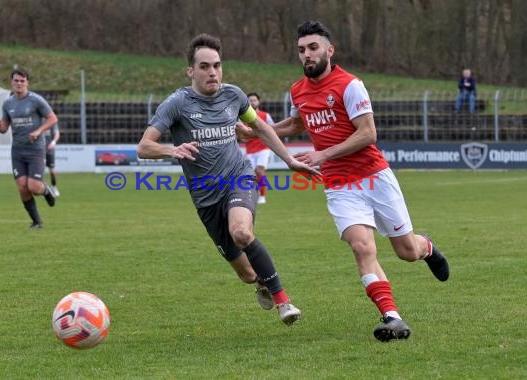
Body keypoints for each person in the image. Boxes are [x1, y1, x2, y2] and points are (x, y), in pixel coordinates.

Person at [265, 20, 450, 340]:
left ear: (329, 50)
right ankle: (392, 317)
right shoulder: (297, 90)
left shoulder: (350, 85)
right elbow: (297, 124)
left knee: (406, 251)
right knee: (362, 247)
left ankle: (427, 247)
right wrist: (257, 128)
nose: (306, 55)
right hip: (339, 185)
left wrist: (323, 154)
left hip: (374, 177)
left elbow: (368, 133)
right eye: (301, 50)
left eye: (312, 48)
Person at [137, 33, 319, 325]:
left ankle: (283, 302)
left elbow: (259, 127)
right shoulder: (176, 104)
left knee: (242, 233)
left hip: (238, 176)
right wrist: (173, 148)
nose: (213, 72)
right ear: (190, 71)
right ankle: (261, 281)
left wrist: (289, 160)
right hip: (206, 199)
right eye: (205, 66)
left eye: (217, 66)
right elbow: (144, 147)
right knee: (247, 274)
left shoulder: (233, 95)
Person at [0, 68, 58, 229]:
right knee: (22, 186)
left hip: (35, 149)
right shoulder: (8, 103)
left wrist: (38, 131)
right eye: (16, 80)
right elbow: (5, 127)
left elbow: (52, 118)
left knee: (34, 187)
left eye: (22, 81)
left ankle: (46, 190)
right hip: (17, 150)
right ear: (12, 82)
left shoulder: (36, 100)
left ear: (27, 82)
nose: (19, 83)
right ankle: (37, 222)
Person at [240, 92, 275, 204]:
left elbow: (272, 129)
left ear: (258, 102)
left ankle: (262, 196)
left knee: (260, 171)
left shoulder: (265, 115)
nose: (252, 102)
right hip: (250, 150)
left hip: (263, 148)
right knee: (252, 174)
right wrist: (243, 137)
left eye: (254, 100)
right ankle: (254, 194)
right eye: (250, 100)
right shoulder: (242, 118)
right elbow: (241, 134)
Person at [44, 122, 61, 197]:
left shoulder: (51, 121)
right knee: (39, 170)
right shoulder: (36, 119)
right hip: (38, 149)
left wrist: (53, 142)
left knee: (52, 171)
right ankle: (43, 189)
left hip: (49, 149)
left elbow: (57, 133)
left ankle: (54, 187)